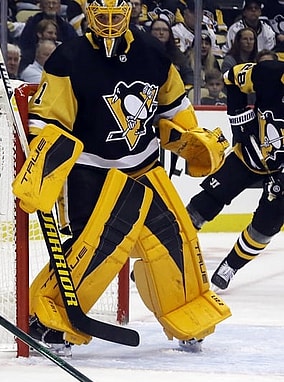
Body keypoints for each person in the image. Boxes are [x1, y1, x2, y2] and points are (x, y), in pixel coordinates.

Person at [12, 0, 231, 355]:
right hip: (90, 170)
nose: (111, 23)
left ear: (130, 11)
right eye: (104, 15)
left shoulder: (152, 52)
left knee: (176, 237)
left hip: (144, 166)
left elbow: (173, 107)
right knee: (97, 247)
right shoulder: (68, 58)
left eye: (117, 15)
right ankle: (49, 317)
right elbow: (51, 119)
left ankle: (187, 312)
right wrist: (45, 164)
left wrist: (192, 138)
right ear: (88, 11)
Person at [186, 59, 284, 291]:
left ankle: (230, 266)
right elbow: (231, 77)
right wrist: (239, 121)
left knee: (266, 226)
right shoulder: (267, 73)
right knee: (205, 203)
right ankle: (167, 252)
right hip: (249, 153)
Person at [149, 18, 195, 88]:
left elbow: (188, 75)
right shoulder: (144, 52)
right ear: (150, 32)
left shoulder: (177, 54)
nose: (161, 32)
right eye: (157, 29)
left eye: (165, 30)